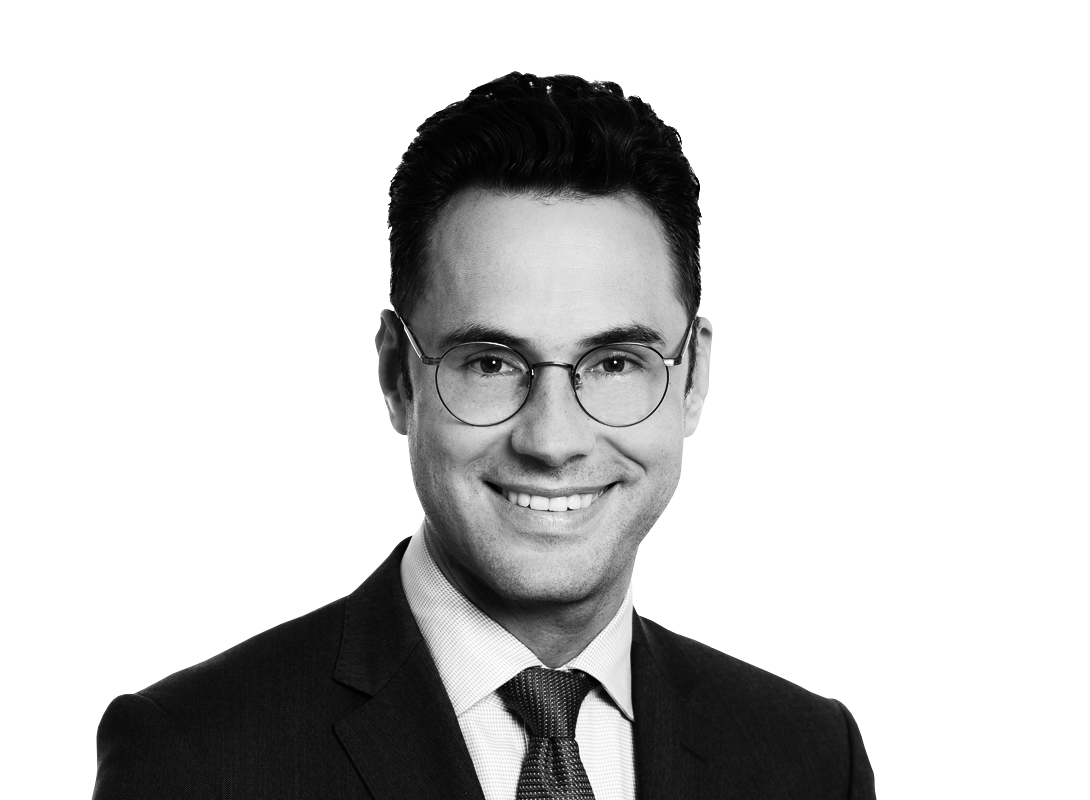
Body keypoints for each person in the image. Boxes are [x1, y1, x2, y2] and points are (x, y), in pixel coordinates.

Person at [92, 71, 876, 799]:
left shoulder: (808, 760)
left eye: (614, 363)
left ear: (693, 376)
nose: (552, 439)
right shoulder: (196, 757)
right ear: (399, 376)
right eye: (492, 363)